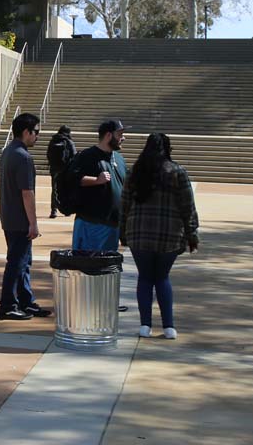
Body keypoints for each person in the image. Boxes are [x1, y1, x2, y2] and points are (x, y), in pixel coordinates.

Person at [121, 132, 200, 340]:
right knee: (162, 277)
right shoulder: (177, 172)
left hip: (139, 234)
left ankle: (145, 325)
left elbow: (125, 205)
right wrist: (192, 235)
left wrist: (122, 232)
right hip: (169, 234)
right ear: (168, 149)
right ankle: (168, 326)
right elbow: (187, 207)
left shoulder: (135, 173)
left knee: (145, 278)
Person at [0, 111, 51, 320]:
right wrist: (33, 223)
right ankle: (8, 304)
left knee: (23, 261)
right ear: (26, 132)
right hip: (19, 220)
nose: (37, 136)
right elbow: (27, 193)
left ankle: (25, 301)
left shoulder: (8, 152)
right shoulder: (23, 157)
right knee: (17, 262)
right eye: (36, 132)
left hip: (9, 217)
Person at [67, 119, 128, 251]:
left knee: (106, 268)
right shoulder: (87, 156)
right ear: (108, 135)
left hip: (113, 225)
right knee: (88, 267)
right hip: (91, 224)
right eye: (120, 134)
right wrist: (96, 180)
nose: (123, 138)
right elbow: (72, 180)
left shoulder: (119, 158)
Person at [46, 125, 76, 218]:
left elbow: (48, 154)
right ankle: (66, 209)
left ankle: (53, 211)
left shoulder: (53, 140)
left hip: (54, 169)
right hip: (65, 169)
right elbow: (74, 156)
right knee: (66, 189)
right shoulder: (68, 141)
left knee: (54, 190)